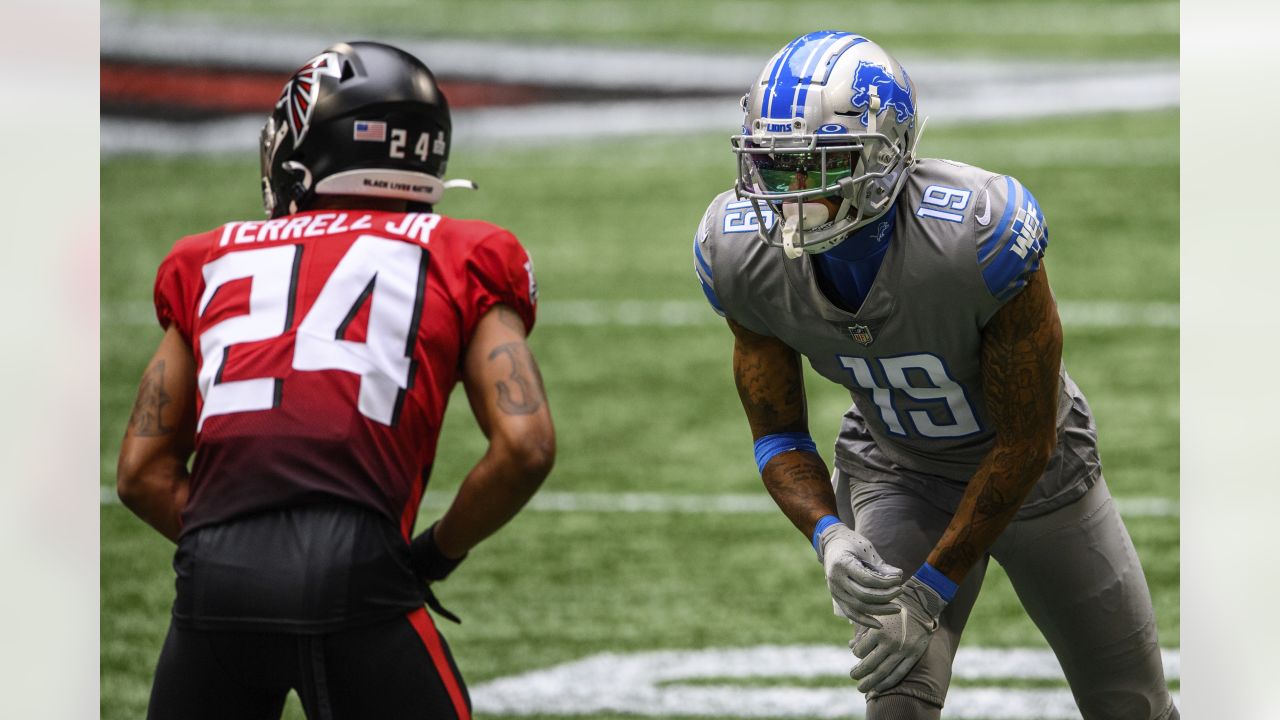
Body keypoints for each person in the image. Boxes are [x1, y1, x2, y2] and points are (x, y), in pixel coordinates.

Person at [693, 30, 1176, 719]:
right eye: (776, 165)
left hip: (1041, 479)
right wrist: (828, 533)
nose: (792, 193)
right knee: (896, 701)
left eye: (822, 165)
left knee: (1131, 707)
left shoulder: (976, 235)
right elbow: (776, 434)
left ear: (884, 156)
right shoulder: (739, 252)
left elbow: (1024, 443)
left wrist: (932, 587)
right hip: (898, 468)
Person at [116, 41, 554, 720]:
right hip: (356, 568)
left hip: (214, 579)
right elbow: (525, 445)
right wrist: (433, 555)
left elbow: (141, 472)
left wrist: (234, 552)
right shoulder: (466, 253)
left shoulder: (209, 258)